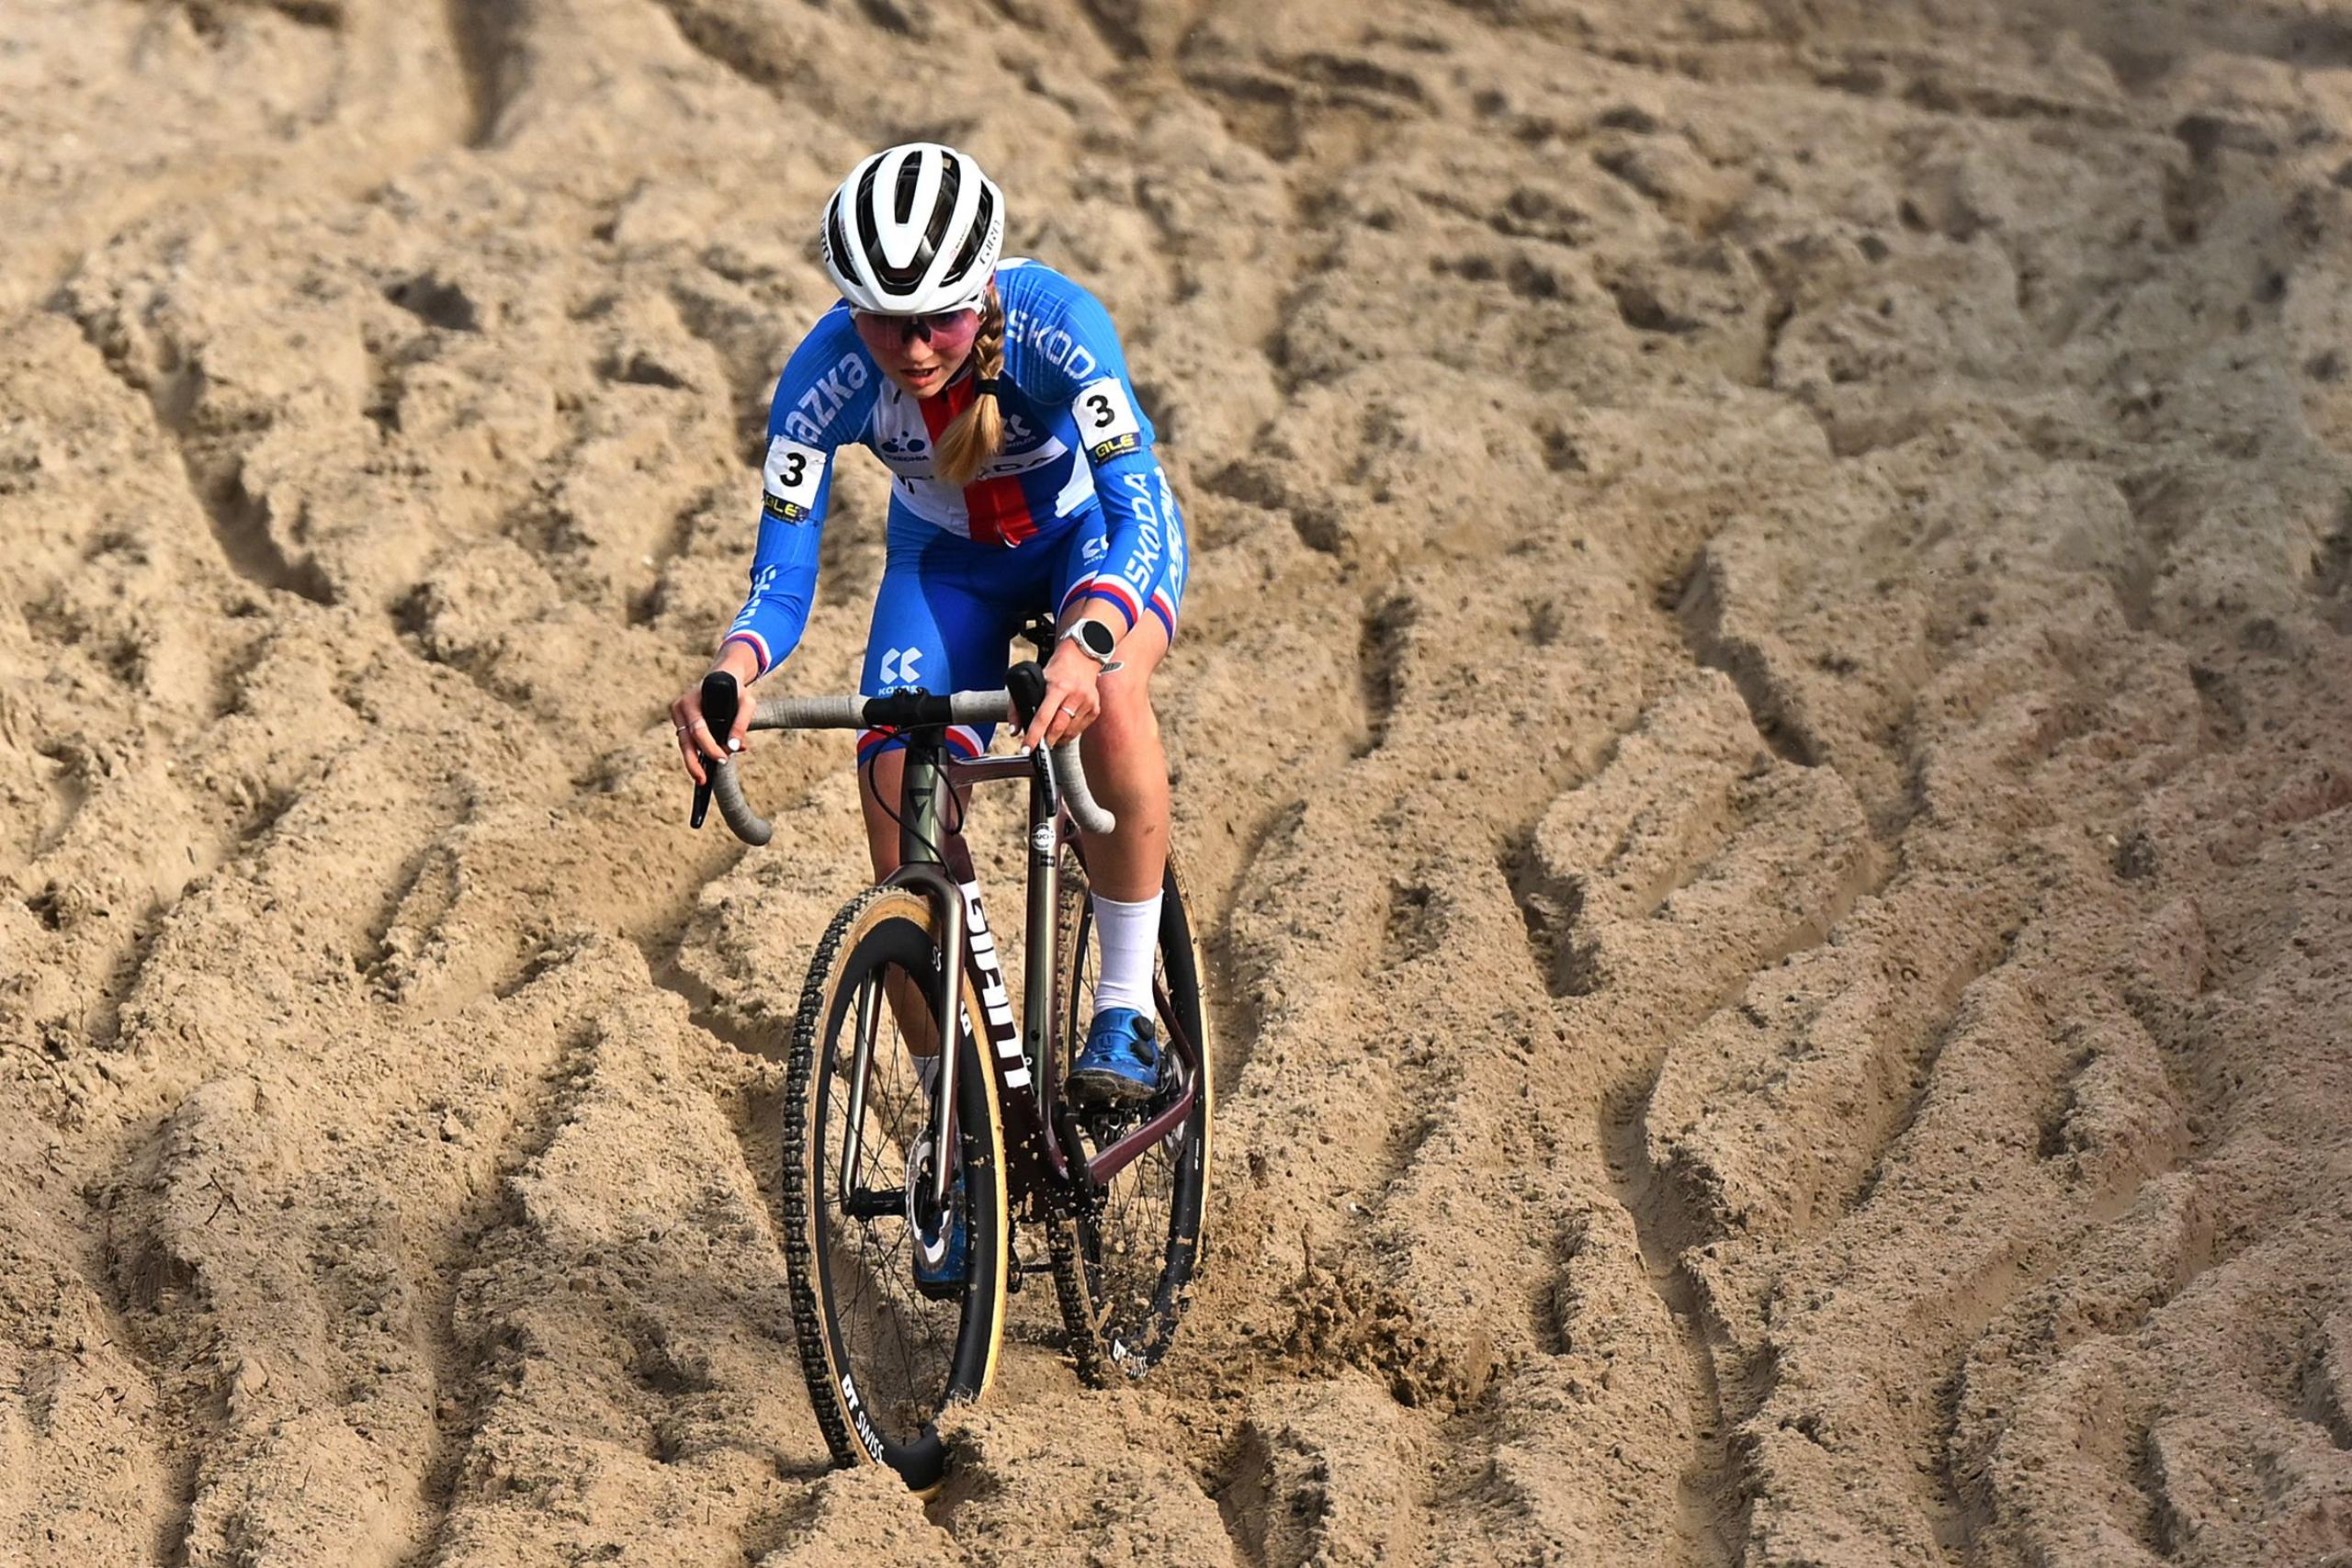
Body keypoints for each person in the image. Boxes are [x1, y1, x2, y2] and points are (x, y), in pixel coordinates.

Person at [671, 141, 1187, 1112]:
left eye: (939, 319)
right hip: (946, 569)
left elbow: (1136, 511)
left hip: (1092, 542)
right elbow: (781, 579)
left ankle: (1125, 1008)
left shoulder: (1058, 324)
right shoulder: (822, 376)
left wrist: (1088, 640)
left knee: (1109, 695)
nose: (911, 350)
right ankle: (953, 1118)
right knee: (895, 784)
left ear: (984, 287)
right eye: (882, 322)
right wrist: (732, 670)